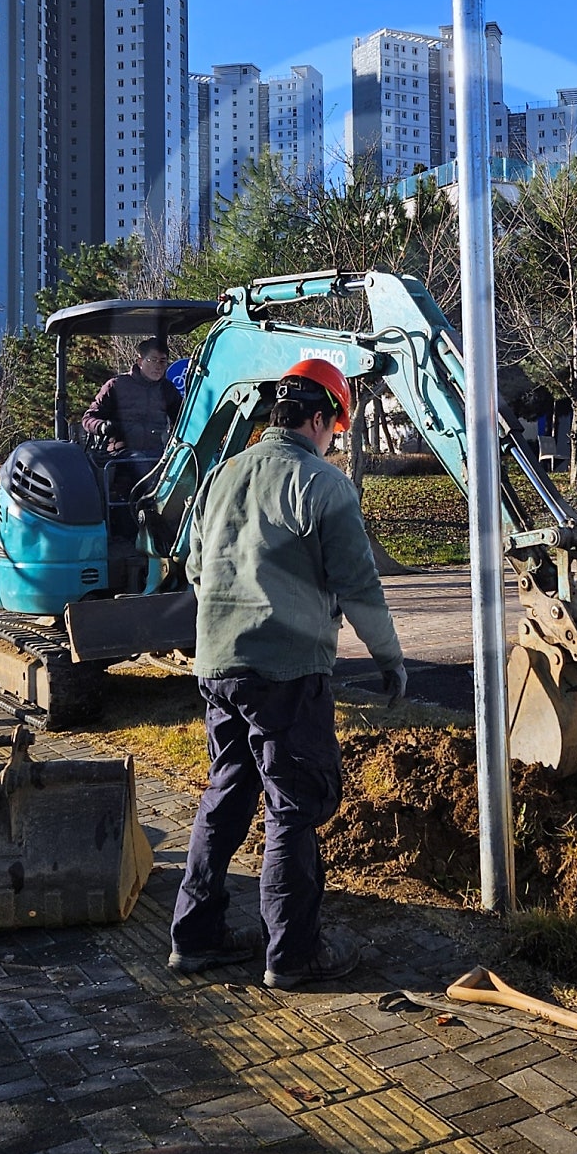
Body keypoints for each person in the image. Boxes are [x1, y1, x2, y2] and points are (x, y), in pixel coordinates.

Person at [168, 357, 408, 988]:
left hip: (219, 665)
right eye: (336, 427)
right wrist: (388, 657)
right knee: (293, 807)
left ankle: (195, 938)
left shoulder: (220, 477)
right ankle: (294, 955)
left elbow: (196, 567)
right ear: (323, 417)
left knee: (226, 793)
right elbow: (358, 586)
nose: (335, 439)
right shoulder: (322, 484)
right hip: (286, 672)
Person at [82, 339, 183, 455]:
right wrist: (102, 426)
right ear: (140, 362)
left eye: (162, 361)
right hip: (121, 452)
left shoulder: (167, 389)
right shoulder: (116, 385)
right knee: (140, 462)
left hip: (157, 451)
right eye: (153, 360)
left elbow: (182, 418)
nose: (158, 366)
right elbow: (88, 418)